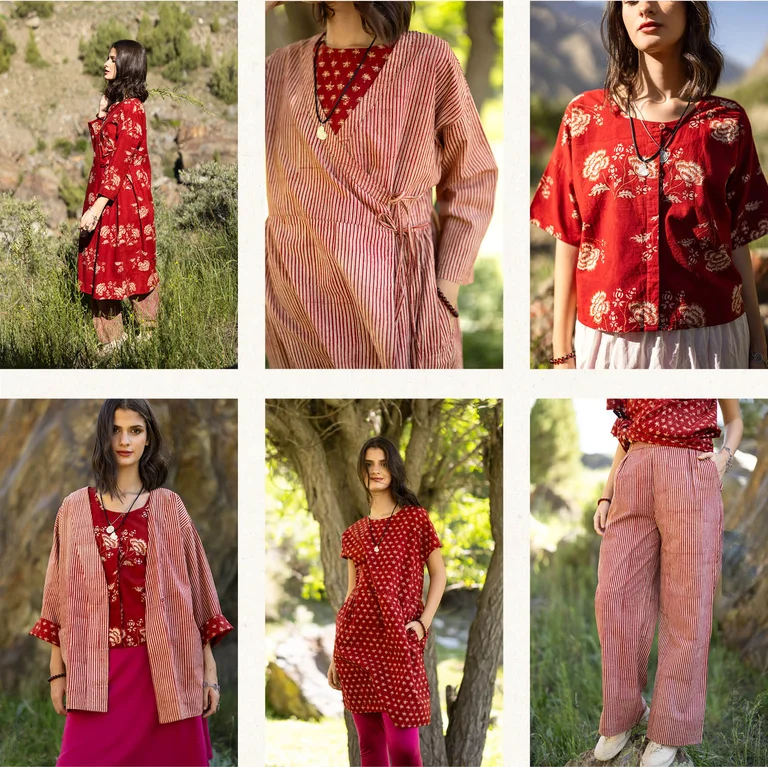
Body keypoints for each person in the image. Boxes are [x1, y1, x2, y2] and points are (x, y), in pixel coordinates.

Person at [530, 1, 768, 369]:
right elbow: (569, 235)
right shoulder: (584, 118)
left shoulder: (726, 122)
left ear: (692, 9)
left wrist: (758, 346)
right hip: (608, 343)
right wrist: (562, 351)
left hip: (711, 340)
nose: (645, 7)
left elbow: (738, 240)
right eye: (630, 0)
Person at [265, 1, 498, 369]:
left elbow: (472, 175)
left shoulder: (427, 58)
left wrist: (447, 284)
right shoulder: (277, 67)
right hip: (298, 286)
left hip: (397, 285)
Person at [30, 399, 233, 767]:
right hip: (96, 669)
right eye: (115, 430)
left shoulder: (170, 507)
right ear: (103, 438)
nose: (124, 440)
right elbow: (58, 596)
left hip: (168, 667)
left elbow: (199, 594)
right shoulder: (74, 509)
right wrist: (57, 671)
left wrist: (210, 674)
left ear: (148, 440)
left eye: (135, 430)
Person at [592, 399, 742, 767]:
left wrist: (725, 455)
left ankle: (670, 729)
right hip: (634, 473)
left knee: (687, 605)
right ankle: (623, 714)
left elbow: (734, 419)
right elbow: (625, 437)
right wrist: (606, 494)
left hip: (689, 467)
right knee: (613, 597)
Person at [327, 436, 447, 766]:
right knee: (369, 746)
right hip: (355, 643)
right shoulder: (354, 533)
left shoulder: (415, 520)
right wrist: (337, 654)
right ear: (361, 472)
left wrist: (423, 623)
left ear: (393, 468)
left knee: (405, 748)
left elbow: (439, 575)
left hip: (397, 642)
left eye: (382, 463)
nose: (376, 470)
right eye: (369, 465)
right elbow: (351, 593)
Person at [78, 41, 159, 353]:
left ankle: (146, 340)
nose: (105, 63)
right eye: (107, 57)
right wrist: (100, 114)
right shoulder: (117, 108)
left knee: (131, 266)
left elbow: (120, 162)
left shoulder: (133, 110)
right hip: (105, 195)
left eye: (113, 59)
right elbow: (102, 156)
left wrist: (97, 209)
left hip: (123, 203)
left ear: (128, 65)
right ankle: (112, 342)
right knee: (105, 267)